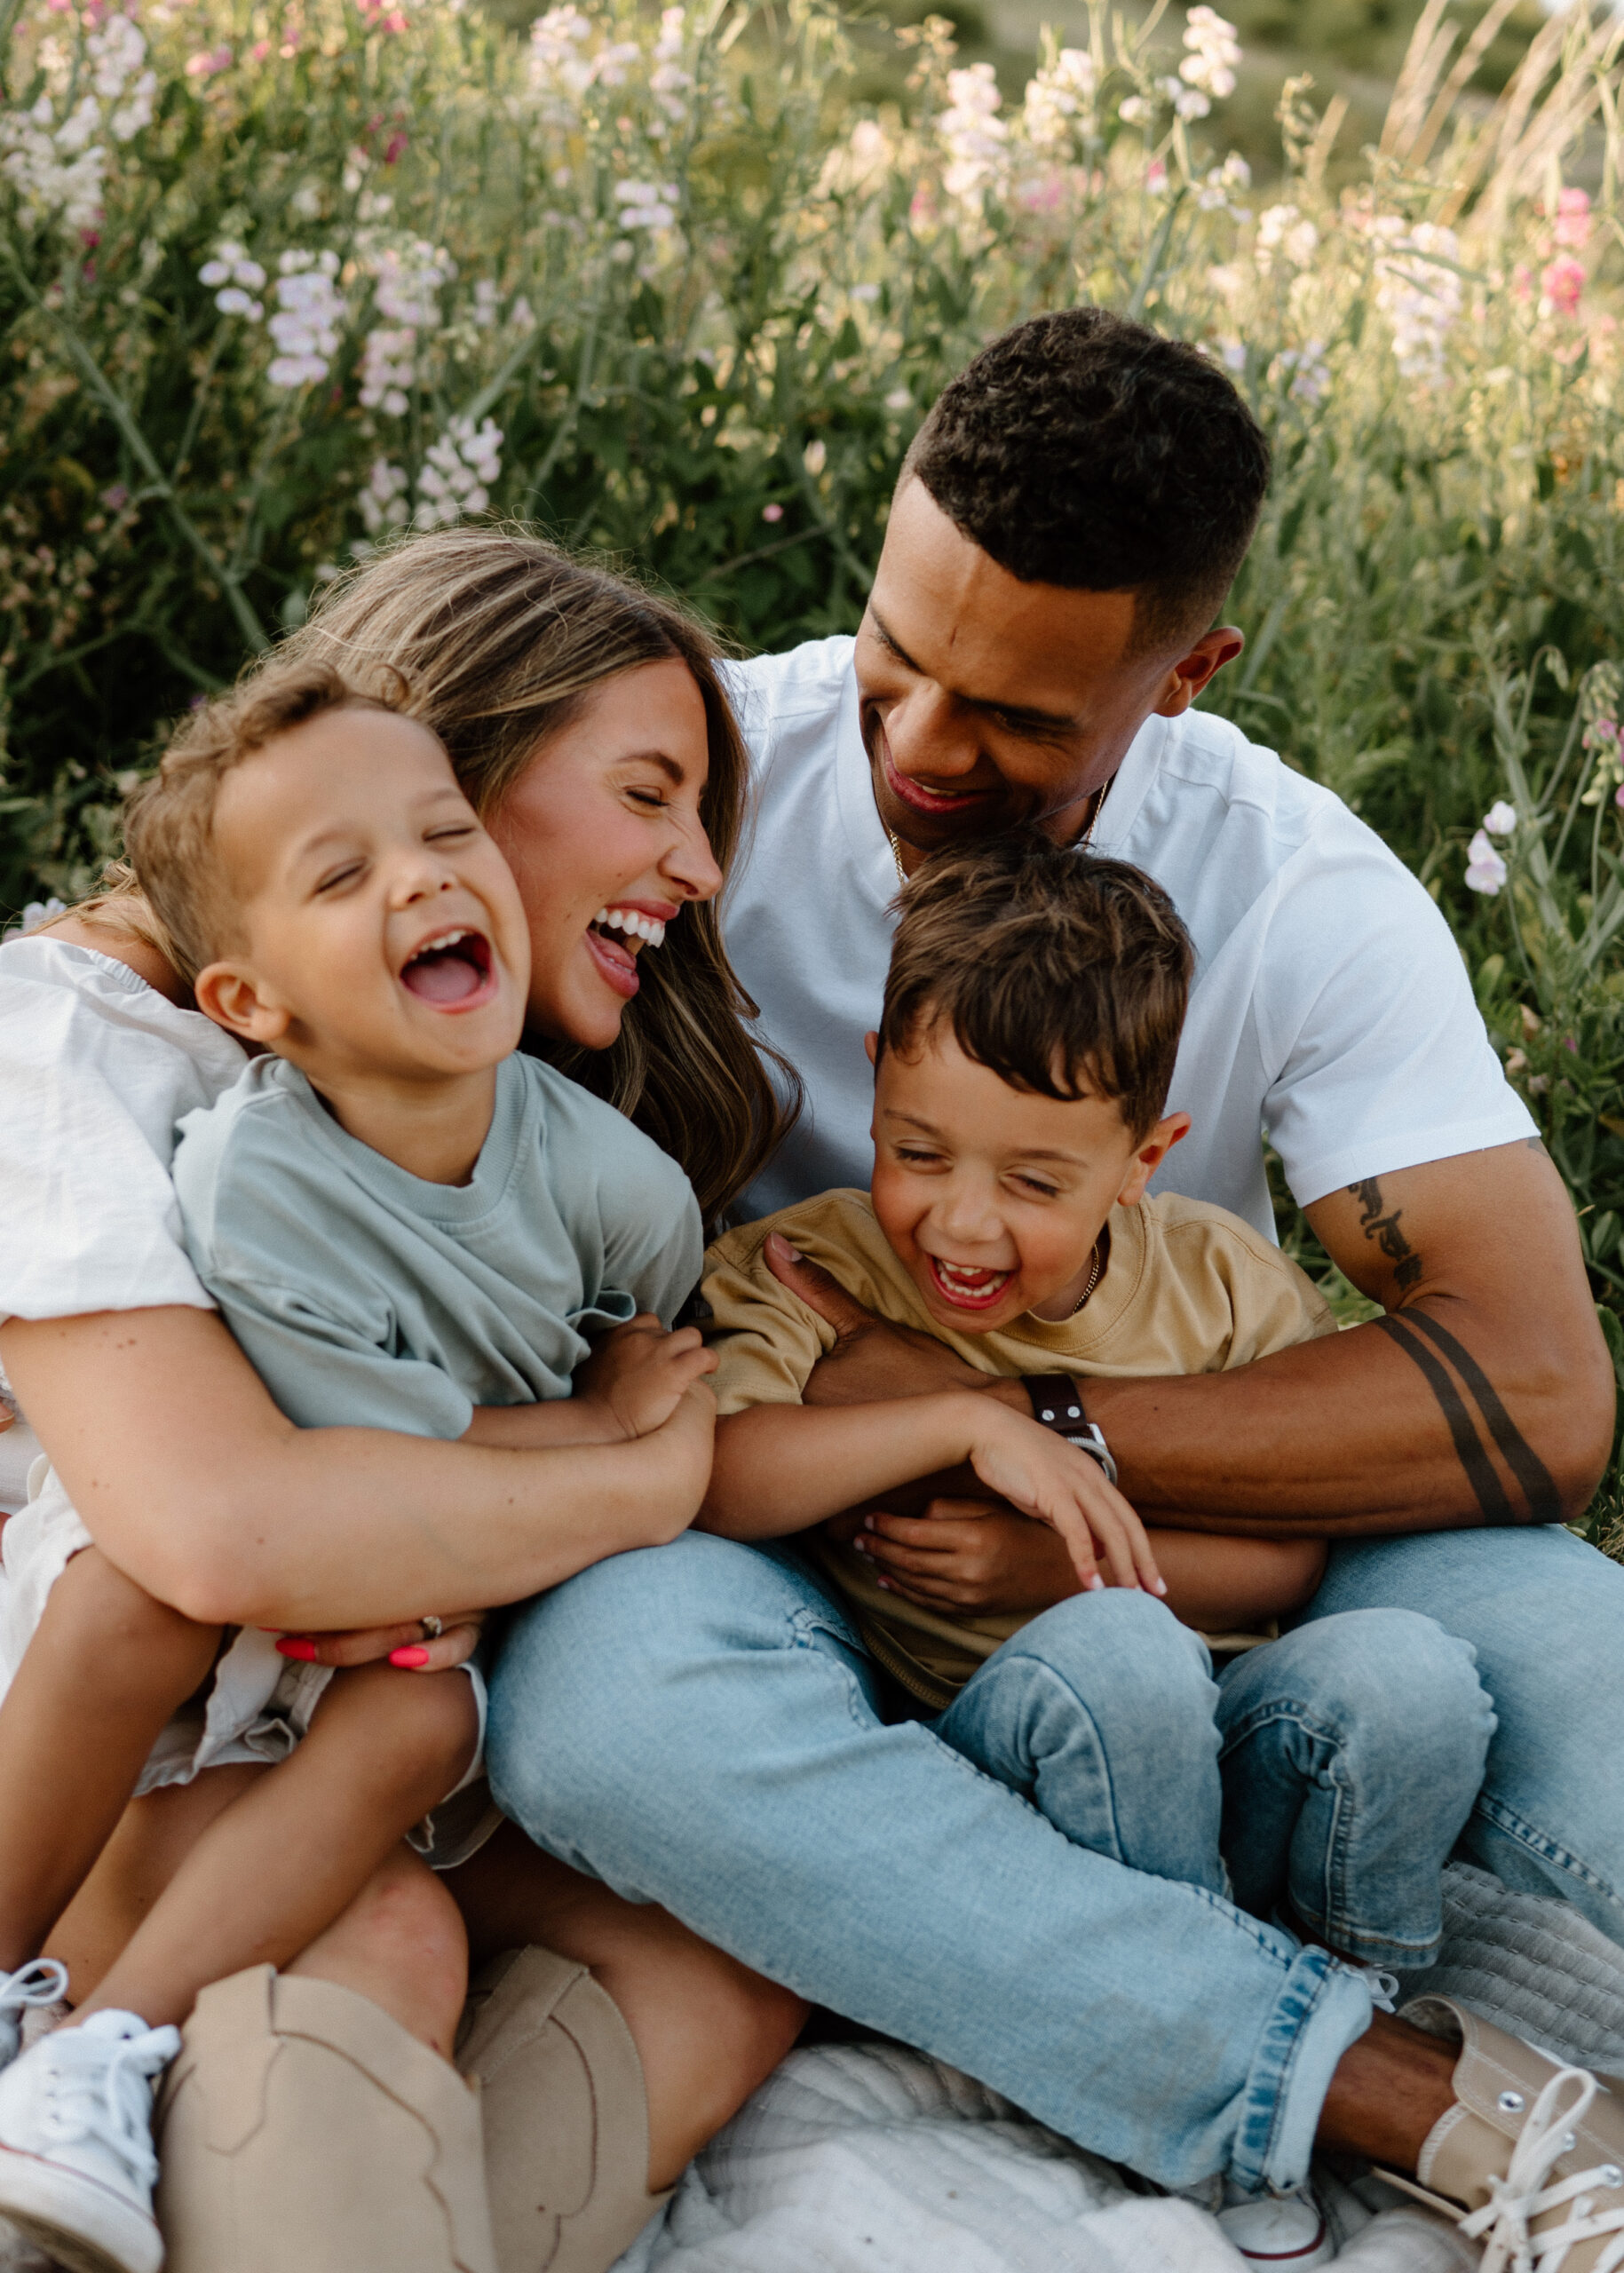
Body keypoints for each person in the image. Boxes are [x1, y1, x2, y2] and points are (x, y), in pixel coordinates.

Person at [480, 313, 1624, 2270]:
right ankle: (1387, 2087)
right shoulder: (690, 791)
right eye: (898, 658)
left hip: (1163, 1516)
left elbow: (1535, 1393)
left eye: (1013, 715)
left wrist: (1057, 1455)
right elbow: (309, 898)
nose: (921, 748)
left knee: (1568, 1630)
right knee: (599, 1701)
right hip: (781, 1520)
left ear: (1184, 676)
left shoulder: (1294, 897)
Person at [0, 543, 810, 2273]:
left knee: (721, 1960)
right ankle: (86, 2079)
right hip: (110, 1754)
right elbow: (225, 1533)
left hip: (354, 1729)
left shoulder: (518, 1124)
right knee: (380, 1928)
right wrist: (636, 1468)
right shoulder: (78, 1042)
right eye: (650, 795)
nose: (700, 863)